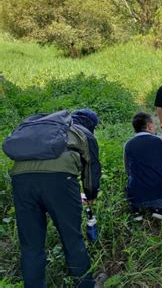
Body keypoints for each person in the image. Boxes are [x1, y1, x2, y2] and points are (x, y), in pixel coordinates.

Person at [9, 109, 101, 288]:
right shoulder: (84, 132)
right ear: (91, 123)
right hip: (59, 181)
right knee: (72, 239)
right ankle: (85, 284)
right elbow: (92, 168)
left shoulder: (45, 130)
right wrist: (90, 195)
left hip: (21, 181)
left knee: (31, 245)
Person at [124, 112, 162, 221]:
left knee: (131, 180)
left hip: (136, 194)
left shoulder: (128, 144)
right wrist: (161, 171)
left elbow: (128, 171)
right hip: (159, 193)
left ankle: (136, 210)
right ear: (149, 126)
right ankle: (161, 209)